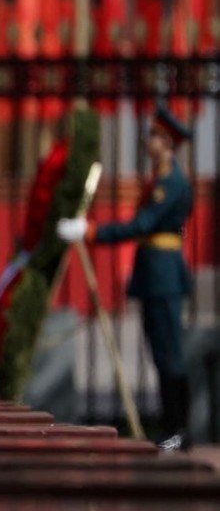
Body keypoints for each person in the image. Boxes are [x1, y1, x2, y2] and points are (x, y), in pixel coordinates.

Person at [57, 104, 194, 452]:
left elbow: (142, 226)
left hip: (163, 275)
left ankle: (179, 430)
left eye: (153, 136)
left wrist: (90, 231)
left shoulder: (171, 183)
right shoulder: (160, 180)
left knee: (169, 355)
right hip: (154, 274)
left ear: (167, 143)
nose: (148, 142)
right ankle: (172, 427)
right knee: (160, 353)